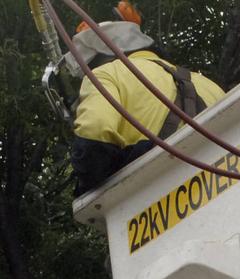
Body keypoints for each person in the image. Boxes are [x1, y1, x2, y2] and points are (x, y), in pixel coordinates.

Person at [66, 4, 226, 196]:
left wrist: (87, 178)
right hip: (223, 186)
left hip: (157, 199)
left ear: (96, 59)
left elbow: (95, 137)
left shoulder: (107, 74)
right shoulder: (208, 84)